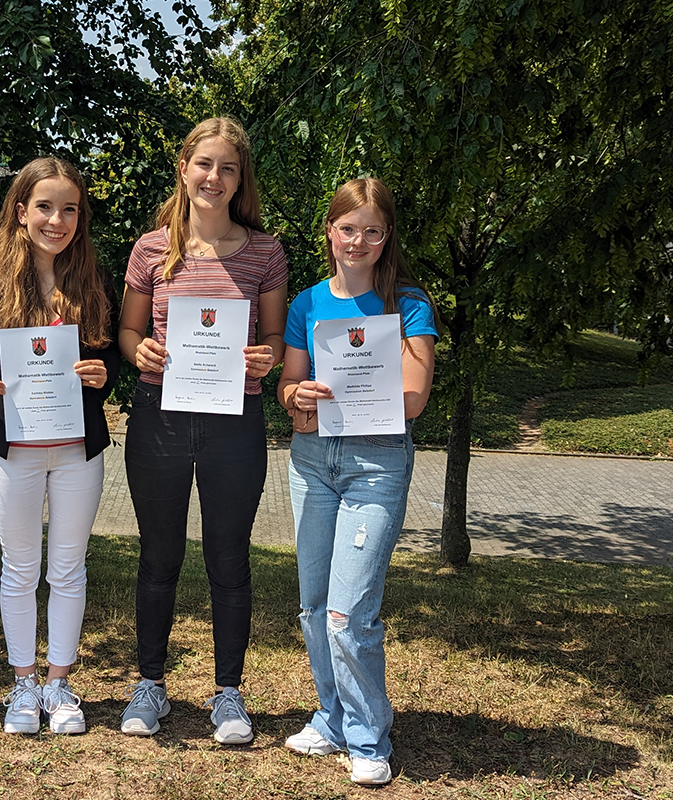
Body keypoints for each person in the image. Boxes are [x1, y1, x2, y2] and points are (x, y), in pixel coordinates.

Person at [117, 117, 288, 744]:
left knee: (229, 559)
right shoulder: (149, 249)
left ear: (241, 180)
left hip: (233, 422)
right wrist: (139, 354)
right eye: (204, 164)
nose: (214, 178)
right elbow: (128, 333)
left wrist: (265, 358)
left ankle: (228, 694)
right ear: (184, 168)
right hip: (160, 417)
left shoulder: (266, 253)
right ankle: (151, 685)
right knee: (159, 556)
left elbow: (272, 338)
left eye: (228, 168)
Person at [0, 158, 121, 735]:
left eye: (69, 208)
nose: (57, 219)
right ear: (20, 212)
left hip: (77, 448)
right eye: (44, 206)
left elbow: (111, 355)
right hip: (12, 445)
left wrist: (103, 373)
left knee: (69, 568)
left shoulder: (93, 275)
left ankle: (60, 685)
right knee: (20, 568)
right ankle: (23, 686)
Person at [277, 177, 437, 785]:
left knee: (350, 613)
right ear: (330, 232)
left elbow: (416, 396)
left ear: (386, 235)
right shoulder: (306, 304)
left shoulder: (409, 304)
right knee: (314, 608)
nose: (359, 240)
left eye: (372, 230)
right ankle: (332, 718)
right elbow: (290, 394)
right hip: (314, 462)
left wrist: (355, 399)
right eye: (348, 228)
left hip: (376, 465)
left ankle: (369, 738)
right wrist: (302, 395)